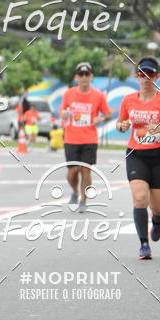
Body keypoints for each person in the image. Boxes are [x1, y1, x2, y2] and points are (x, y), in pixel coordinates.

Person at [116, 56, 160, 260]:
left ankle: (158, 221)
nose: (145, 78)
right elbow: (120, 122)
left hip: (158, 155)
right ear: (137, 76)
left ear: (156, 77)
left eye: (149, 74)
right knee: (140, 197)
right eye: (142, 74)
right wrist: (122, 126)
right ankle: (144, 244)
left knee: (158, 206)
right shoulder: (128, 100)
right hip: (136, 154)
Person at [61, 62, 112, 213]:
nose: (84, 77)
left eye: (87, 74)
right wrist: (64, 114)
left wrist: (101, 119)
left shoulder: (98, 95)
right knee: (72, 172)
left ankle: (84, 199)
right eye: (81, 75)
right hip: (71, 138)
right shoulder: (69, 93)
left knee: (85, 170)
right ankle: (75, 192)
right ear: (76, 77)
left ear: (91, 77)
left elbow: (108, 114)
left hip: (89, 139)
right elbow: (62, 111)